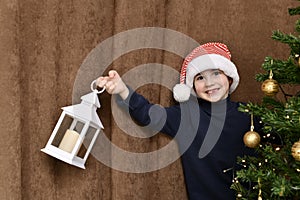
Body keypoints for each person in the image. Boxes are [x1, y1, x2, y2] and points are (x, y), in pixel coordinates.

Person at [96, 42, 260, 199]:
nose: (210, 83)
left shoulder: (249, 113)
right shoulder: (187, 116)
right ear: (193, 87)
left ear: (229, 78)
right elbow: (148, 114)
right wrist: (122, 90)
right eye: (200, 78)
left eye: (216, 73)